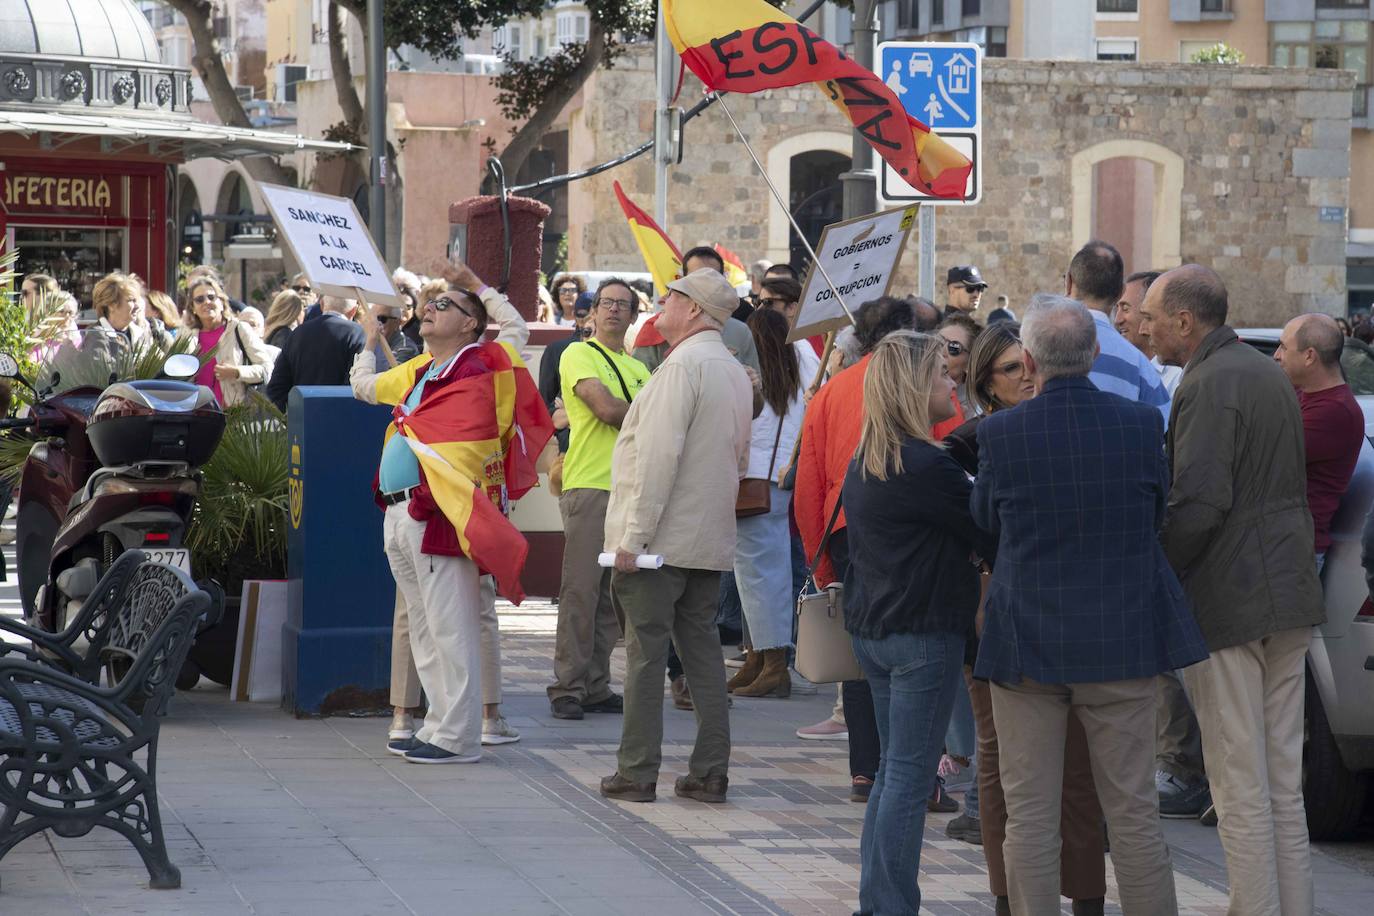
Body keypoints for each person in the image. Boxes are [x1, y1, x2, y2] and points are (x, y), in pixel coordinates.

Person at [972, 294, 1207, 916]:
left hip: (1026, 639)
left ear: (1028, 359)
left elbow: (984, 522)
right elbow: (1157, 512)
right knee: (1132, 812)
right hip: (1120, 637)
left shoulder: (1000, 431)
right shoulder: (1139, 426)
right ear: (1097, 352)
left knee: (1028, 812)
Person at [1143, 266, 1327, 916]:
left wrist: (1156, 574)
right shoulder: (1264, 372)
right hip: (1287, 593)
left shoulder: (1212, 381)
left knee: (1239, 782)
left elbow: (1199, 501)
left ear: (1186, 322)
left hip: (1232, 599)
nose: (1144, 326)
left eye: (1152, 315)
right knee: (1280, 782)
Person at [352, 261, 551, 764]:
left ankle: (457, 737)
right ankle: (439, 724)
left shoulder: (484, 361)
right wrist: (366, 339)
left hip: (442, 509)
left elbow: (516, 326)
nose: (429, 309)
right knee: (424, 626)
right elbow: (366, 389)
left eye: (444, 305)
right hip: (400, 512)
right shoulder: (420, 370)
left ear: (469, 322)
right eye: (428, 304)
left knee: (450, 625)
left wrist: (478, 283)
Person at [942, 323, 1109, 910]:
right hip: (992, 606)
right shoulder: (967, 443)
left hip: (1068, 605)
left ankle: (1085, 894)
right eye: (1011, 369)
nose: (1027, 377)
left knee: (1079, 760)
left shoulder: (1071, 427)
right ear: (987, 381)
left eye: (1028, 365)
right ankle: (1006, 894)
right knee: (997, 756)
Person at [842, 329, 996, 915]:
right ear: (912, 387)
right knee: (908, 780)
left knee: (892, 775)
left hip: (877, 631)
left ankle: (878, 903)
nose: (951, 379)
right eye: (940, 372)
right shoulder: (928, 464)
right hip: (920, 634)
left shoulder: (871, 457)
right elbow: (987, 530)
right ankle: (889, 906)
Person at [599, 268, 753, 804]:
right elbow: (739, 458)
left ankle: (637, 771)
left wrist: (633, 539)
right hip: (706, 539)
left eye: (669, 297)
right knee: (704, 655)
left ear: (692, 309)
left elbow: (657, 460)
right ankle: (711, 770)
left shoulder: (681, 367)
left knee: (645, 655)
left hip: (659, 546)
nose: (660, 306)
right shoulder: (732, 370)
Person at [795, 296, 942, 805]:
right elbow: (948, 451)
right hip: (914, 527)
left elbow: (807, 482)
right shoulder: (920, 384)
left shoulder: (832, 389)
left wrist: (821, 558)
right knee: (914, 645)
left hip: (844, 524)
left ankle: (866, 769)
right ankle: (918, 773)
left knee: (862, 644)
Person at [547, 278, 650, 720]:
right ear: (591, 313)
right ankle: (567, 687)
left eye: (622, 305)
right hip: (589, 484)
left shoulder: (641, 369)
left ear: (632, 315)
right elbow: (606, 410)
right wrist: (651, 410)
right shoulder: (578, 354)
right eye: (606, 303)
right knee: (580, 592)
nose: (613, 310)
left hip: (631, 490)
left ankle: (595, 684)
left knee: (612, 596)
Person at [727, 308, 807, 699]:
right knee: (765, 575)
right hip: (781, 479)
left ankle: (773, 662)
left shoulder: (751, 376)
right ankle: (761, 657)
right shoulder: (798, 370)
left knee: (758, 578)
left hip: (751, 481)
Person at [1275, 313, 1366, 575]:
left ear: (1309, 356)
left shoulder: (1335, 411)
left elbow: (1264, 453)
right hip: (1283, 546)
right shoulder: (1304, 393)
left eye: (1283, 346)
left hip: (1294, 554)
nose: (1277, 355)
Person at [1064, 242, 1171, 424]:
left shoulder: (1037, 345)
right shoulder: (1141, 367)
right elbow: (1162, 430)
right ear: (1121, 292)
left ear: (1069, 282)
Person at [631, 248, 759, 374]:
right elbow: (637, 384)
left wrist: (753, 387)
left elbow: (757, 388)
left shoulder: (740, 332)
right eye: (696, 279)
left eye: (711, 279)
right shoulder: (657, 328)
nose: (704, 285)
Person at [265, 293, 366, 412]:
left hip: (301, 421)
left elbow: (276, 388)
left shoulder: (298, 333)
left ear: (322, 304)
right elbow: (355, 386)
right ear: (353, 311)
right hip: (340, 419)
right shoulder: (358, 334)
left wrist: (294, 415)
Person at [185, 276, 274, 408]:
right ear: (193, 307)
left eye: (211, 297)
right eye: (199, 299)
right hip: (198, 413)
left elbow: (267, 369)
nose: (206, 302)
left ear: (221, 302)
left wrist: (237, 372)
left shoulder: (239, 329)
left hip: (235, 413)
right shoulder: (187, 336)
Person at [1113, 269, 1182, 396]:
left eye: (1125, 308)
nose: (1118, 320)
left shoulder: (1177, 376)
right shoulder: (1120, 369)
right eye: (1116, 308)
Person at [84, 272, 169, 362]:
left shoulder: (141, 332)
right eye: (131, 300)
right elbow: (102, 371)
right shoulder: (96, 335)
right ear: (112, 305)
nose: (137, 306)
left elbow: (160, 364)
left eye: (137, 300)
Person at [757, 275, 822, 384]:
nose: (760, 309)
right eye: (758, 302)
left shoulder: (801, 351)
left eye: (767, 303)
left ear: (792, 308)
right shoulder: (766, 343)